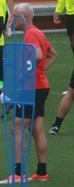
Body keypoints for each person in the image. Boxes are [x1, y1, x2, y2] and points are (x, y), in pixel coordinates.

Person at [0, 3, 57, 184]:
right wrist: (40, 73)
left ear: (25, 17)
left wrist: (24, 76)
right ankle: (41, 171)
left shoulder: (30, 34)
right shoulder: (38, 32)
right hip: (41, 86)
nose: (12, 19)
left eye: (14, 16)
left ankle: (18, 172)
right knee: (35, 128)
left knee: (16, 127)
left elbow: (39, 55)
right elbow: (52, 54)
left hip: (32, 88)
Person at [48, 0, 74, 135]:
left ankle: (57, 125)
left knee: (71, 91)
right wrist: (59, 9)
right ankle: (56, 125)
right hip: (71, 14)